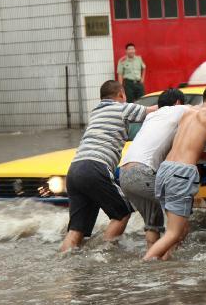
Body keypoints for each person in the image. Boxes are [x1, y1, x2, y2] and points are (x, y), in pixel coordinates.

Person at [59, 80, 157, 253]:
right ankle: (104, 254)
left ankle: (64, 262)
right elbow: (152, 111)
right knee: (123, 212)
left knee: (77, 229)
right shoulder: (122, 108)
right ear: (121, 94)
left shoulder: (95, 112)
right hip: (95, 167)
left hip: (74, 170)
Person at [143, 85, 206, 261]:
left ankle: (166, 265)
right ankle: (145, 267)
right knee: (174, 233)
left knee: (182, 230)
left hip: (165, 169)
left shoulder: (189, 112)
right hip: (181, 172)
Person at [118, 88, 187, 252]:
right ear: (178, 102)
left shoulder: (151, 116)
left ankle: (154, 264)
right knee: (179, 218)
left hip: (124, 175)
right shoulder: (177, 109)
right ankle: (169, 261)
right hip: (143, 173)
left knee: (153, 223)